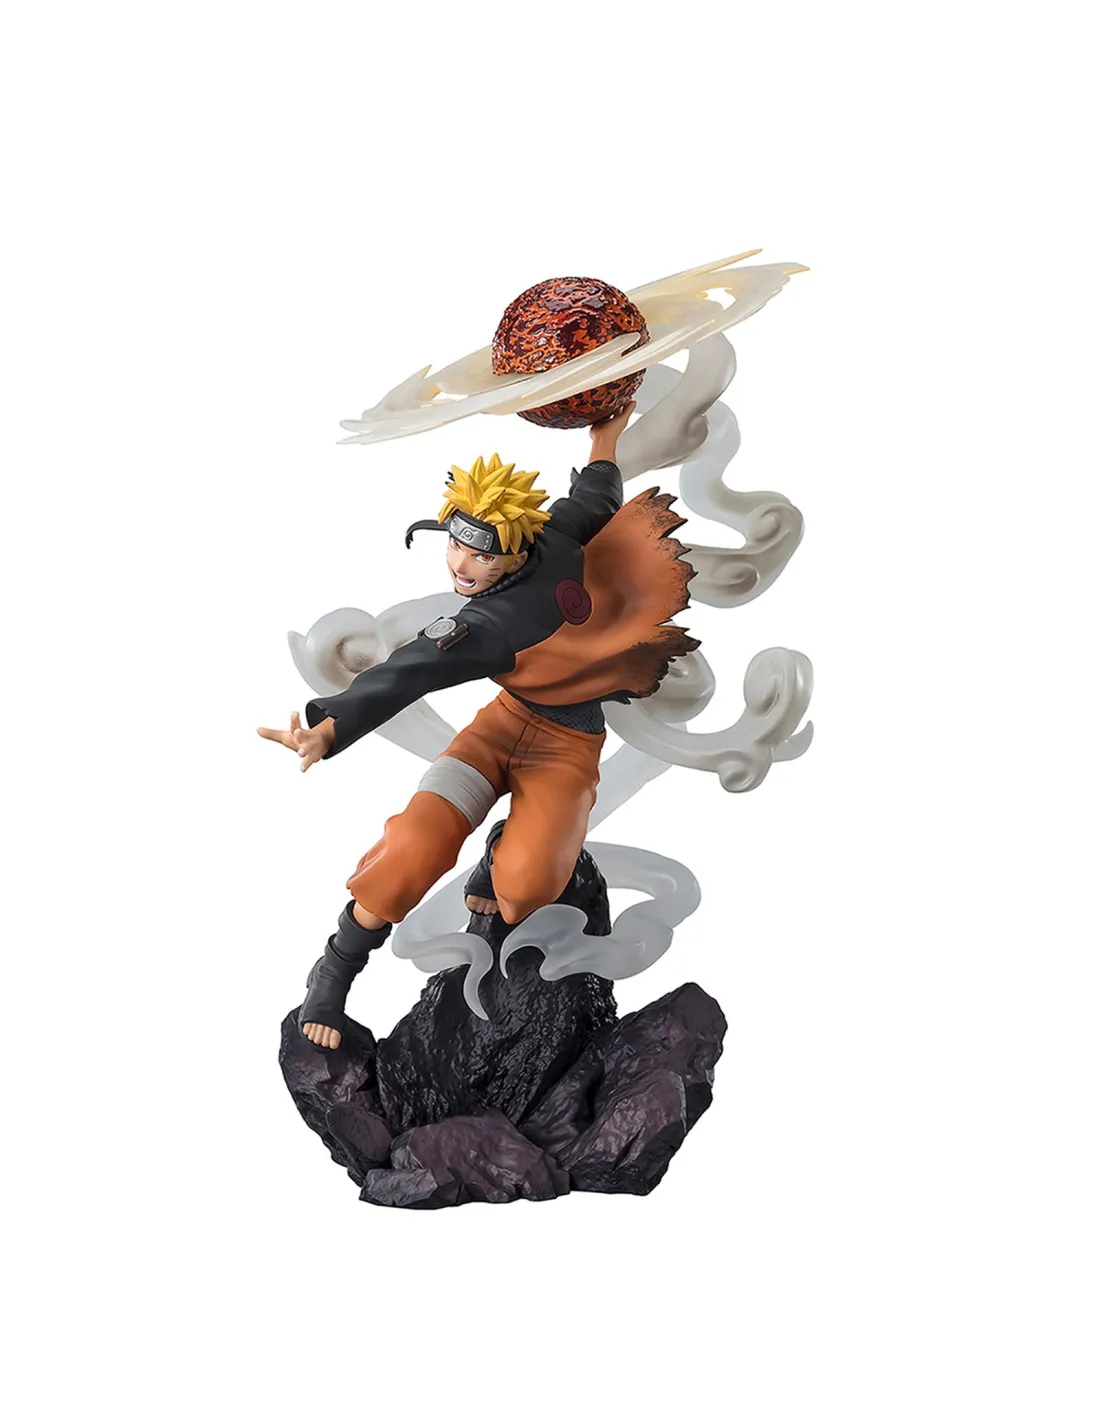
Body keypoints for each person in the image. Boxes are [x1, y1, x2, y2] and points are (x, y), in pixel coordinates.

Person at [259, 401, 698, 1048]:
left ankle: (501, 851)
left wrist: (605, 439)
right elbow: (406, 671)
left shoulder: (516, 592)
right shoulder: (499, 595)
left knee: (526, 889)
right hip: (499, 730)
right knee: (413, 846)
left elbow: (595, 500)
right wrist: (329, 728)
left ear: (518, 548)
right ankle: (332, 973)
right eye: (455, 545)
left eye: (480, 555)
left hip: (568, 745)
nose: (461, 566)